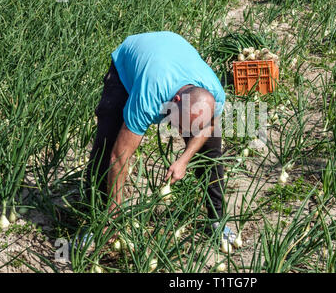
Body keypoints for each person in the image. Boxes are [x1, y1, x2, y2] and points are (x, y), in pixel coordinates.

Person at [86, 31, 236, 244]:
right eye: (179, 124)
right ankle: (98, 221)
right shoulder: (149, 98)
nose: (179, 131)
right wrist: (114, 209)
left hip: (172, 49)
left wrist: (184, 160)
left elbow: (208, 127)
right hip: (130, 60)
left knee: (211, 153)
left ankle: (217, 220)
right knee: (107, 144)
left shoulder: (214, 94)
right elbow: (120, 156)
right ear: (174, 101)